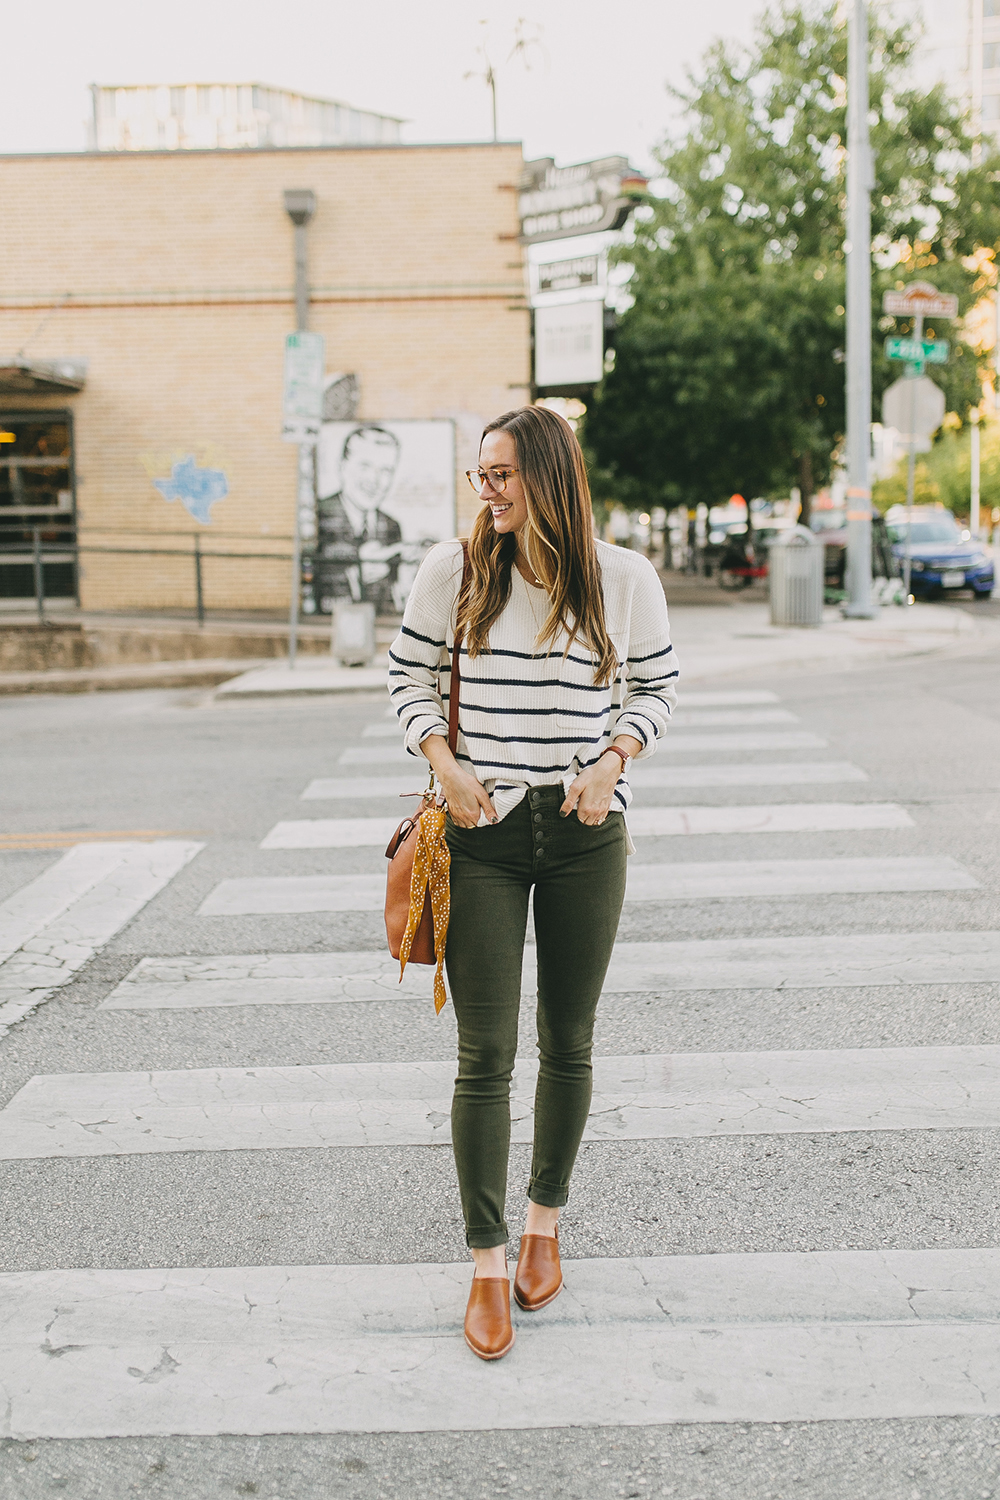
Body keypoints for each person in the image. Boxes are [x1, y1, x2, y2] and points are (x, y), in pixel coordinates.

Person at [387, 406, 677, 1361]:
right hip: (483, 838)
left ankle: (545, 1221)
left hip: (588, 835)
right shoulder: (458, 571)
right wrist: (444, 763)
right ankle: (485, 1259)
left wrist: (616, 761)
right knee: (485, 1054)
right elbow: (408, 679)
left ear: (550, 477)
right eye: (481, 475)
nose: (488, 490)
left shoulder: (624, 579)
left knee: (569, 1039)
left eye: (503, 474)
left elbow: (656, 689)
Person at [313, 424, 404, 614]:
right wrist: (356, 571)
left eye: (386, 470)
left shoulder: (391, 526)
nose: (375, 480)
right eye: (365, 466)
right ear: (342, 466)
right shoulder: (318, 516)